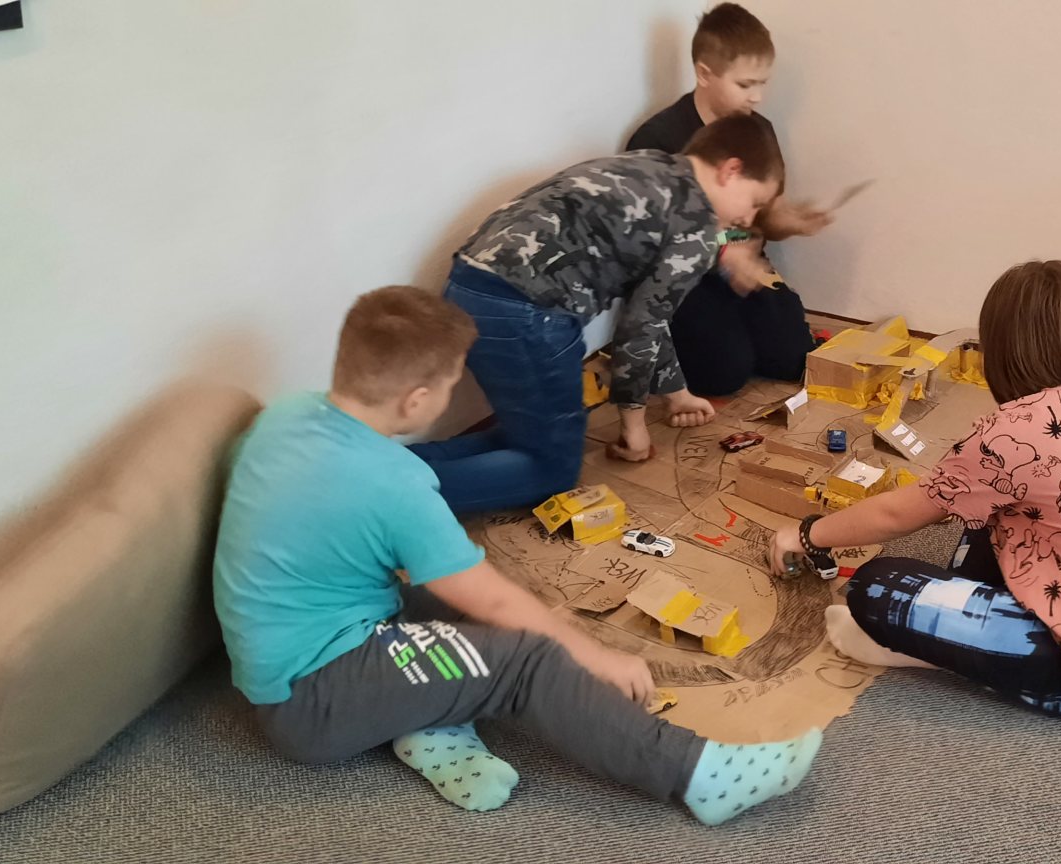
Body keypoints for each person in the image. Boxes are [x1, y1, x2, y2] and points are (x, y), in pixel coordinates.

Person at [214, 286, 821, 822]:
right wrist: (592, 656)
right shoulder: (395, 483)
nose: (452, 393)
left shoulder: (286, 416)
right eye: (450, 384)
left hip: (297, 652)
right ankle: (702, 777)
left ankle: (426, 724)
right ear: (416, 399)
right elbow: (494, 602)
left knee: (465, 596)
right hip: (313, 699)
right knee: (527, 656)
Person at [769, 261, 1061, 720]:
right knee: (991, 509)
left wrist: (806, 533)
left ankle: (948, 649)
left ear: (999, 351)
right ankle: (978, 631)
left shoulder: (1011, 432)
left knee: (875, 586)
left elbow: (895, 515)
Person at [408, 113, 783, 513]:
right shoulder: (697, 228)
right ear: (731, 170)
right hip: (525, 309)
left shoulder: (651, 164)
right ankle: (390, 497)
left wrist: (677, 393)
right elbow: (640, 327)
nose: (747, 220)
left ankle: (388, 466)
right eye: (755, 203)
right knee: (552, 468)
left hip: (467, 283)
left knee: (531, 436)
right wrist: (634, 427)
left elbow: (648, 310)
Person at [626, 2, 830, 398]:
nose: (757, 97)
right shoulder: (657, 139)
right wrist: (724, 246)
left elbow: (759, 221)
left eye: (762, 83)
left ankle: (738, 334)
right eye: (745, 85)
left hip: (746, 266)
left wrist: (785, 221)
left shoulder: (760, 131)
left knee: (794, 358)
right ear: (705, 74)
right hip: (686, 278)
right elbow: (652, 243)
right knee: (723, 375)